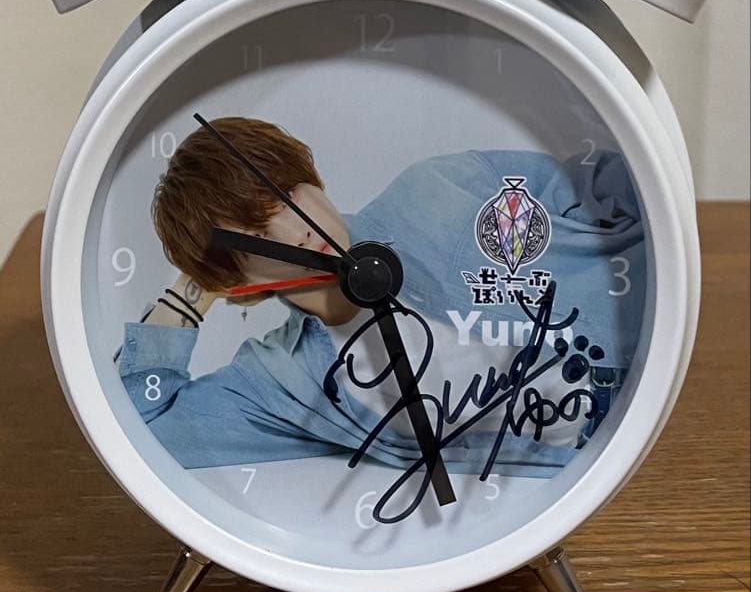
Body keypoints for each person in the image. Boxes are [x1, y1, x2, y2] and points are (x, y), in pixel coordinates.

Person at [117, 116, 644, 477]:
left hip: (657, 386)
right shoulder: (283, 383)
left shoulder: (439, 190)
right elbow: (143, 432)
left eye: (289, 195)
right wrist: (192, 289)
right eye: (256, 235)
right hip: (594, 483)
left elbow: (621, 184)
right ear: (239, 283)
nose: (297, 229)